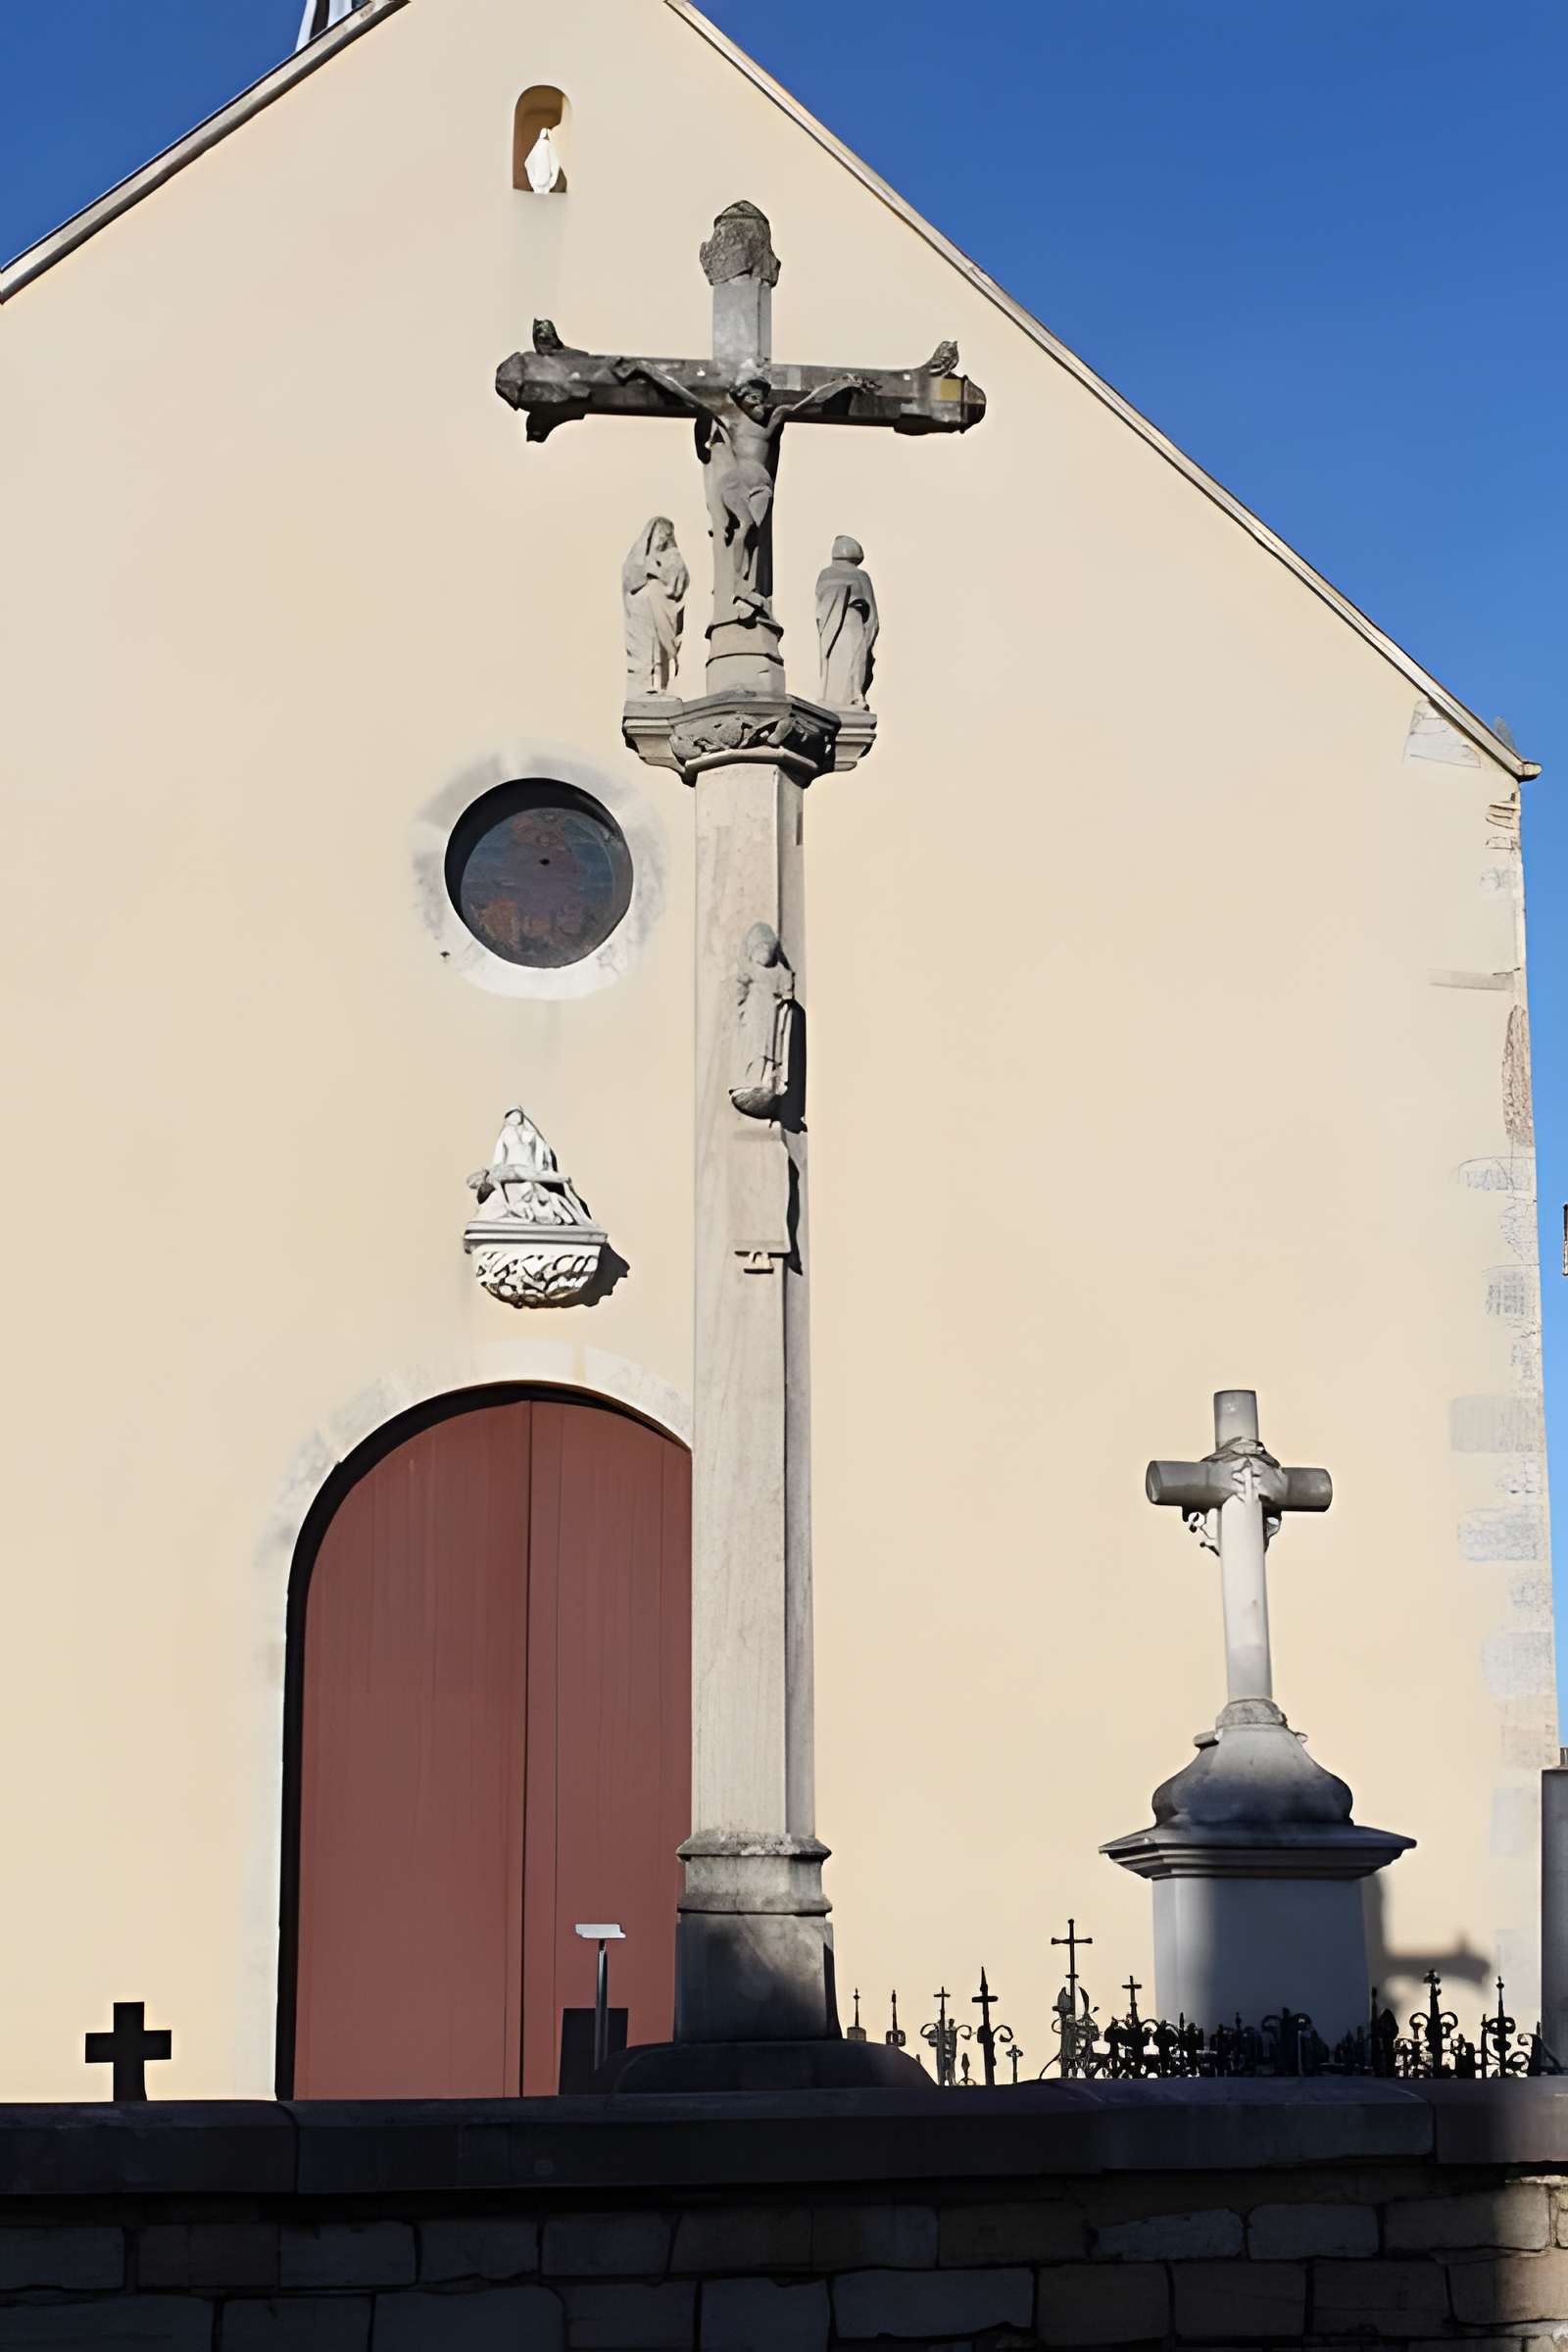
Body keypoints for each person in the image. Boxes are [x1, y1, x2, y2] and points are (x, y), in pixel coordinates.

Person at [621, 517, 688, 695]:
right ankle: (645, 685)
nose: (661, 538)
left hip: (661, 612)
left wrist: (658, 574)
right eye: (658, 534)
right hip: (641, 615)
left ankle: (659, 684)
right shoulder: (638, 558)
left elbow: (678, 581)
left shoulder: (673, 557)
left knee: (660, 651)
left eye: (665, 535)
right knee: (645, 650)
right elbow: (630, 578)